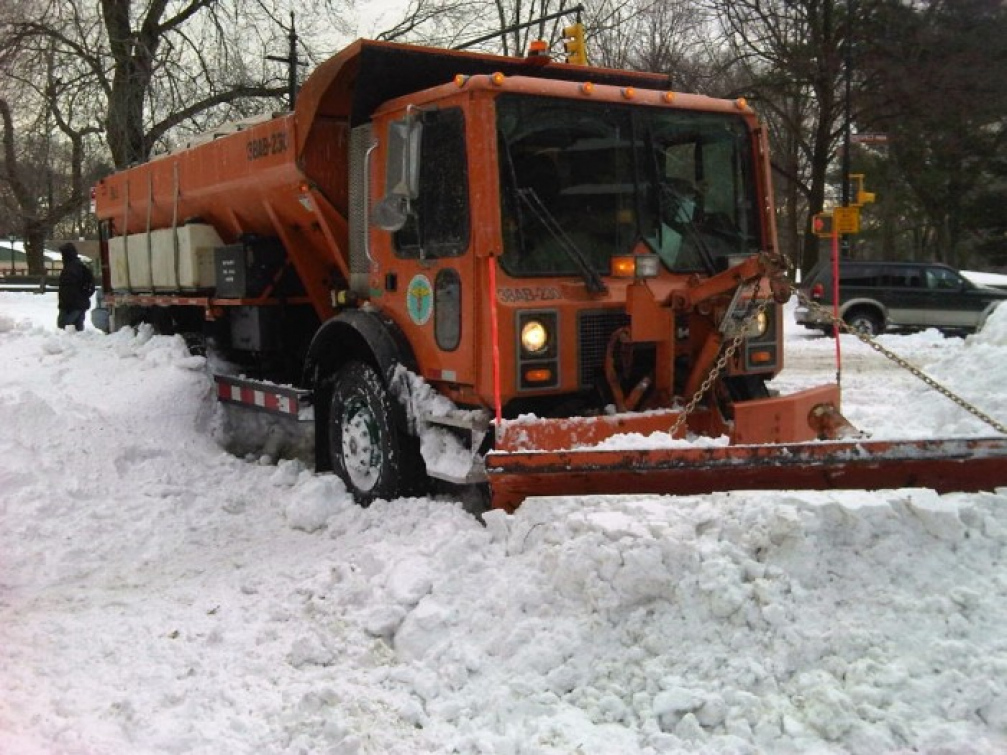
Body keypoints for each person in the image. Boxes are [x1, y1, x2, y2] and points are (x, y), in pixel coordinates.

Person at [56, 242, 93, 331]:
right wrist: (84, 296)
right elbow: (90, 284)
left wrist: (67, 304)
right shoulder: (81, 266)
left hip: (70, 307)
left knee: (63, 328)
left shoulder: (70, 269)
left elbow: (67, 289)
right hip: (81, 304)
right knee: (77, 331)